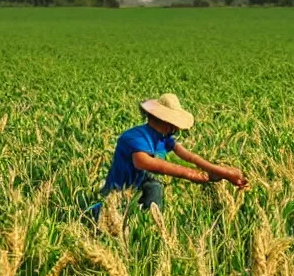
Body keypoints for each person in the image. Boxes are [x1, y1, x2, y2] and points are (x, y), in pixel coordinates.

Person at [89, 93, 247, 218]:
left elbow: (190, 157)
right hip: (118, 190)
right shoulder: (134, 137)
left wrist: (222, 172)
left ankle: (152, 225)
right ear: (165, 121)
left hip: (140, 185)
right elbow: (145, 163)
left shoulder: (164, 138)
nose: (177, 129)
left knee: (154, 188)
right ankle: (88, 215)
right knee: (106, 217)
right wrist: (194, 175)